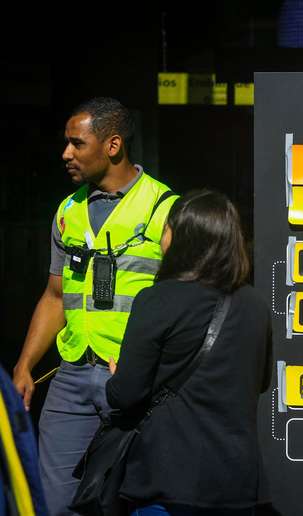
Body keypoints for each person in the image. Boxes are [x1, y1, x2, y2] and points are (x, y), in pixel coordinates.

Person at [11, 97, 177, 515]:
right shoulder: (68, 211)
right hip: (72, 377)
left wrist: (153, 367)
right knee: (56, 499)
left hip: (136, 382)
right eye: (66, 144)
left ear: (113, 145)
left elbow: (183, 306)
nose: (66, 154)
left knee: (140, 498)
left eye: (76, 144)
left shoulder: (164, 208)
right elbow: (54, 296)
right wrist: (25, 365)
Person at [105, 190, 273, 515]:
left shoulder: (156, 300)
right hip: (237, 484)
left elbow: (125, 395)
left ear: (183, 238)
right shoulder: (255, 304)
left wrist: (117, 378)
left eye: (166, 229)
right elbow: (261, 381)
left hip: (166, 483)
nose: (161, 239)